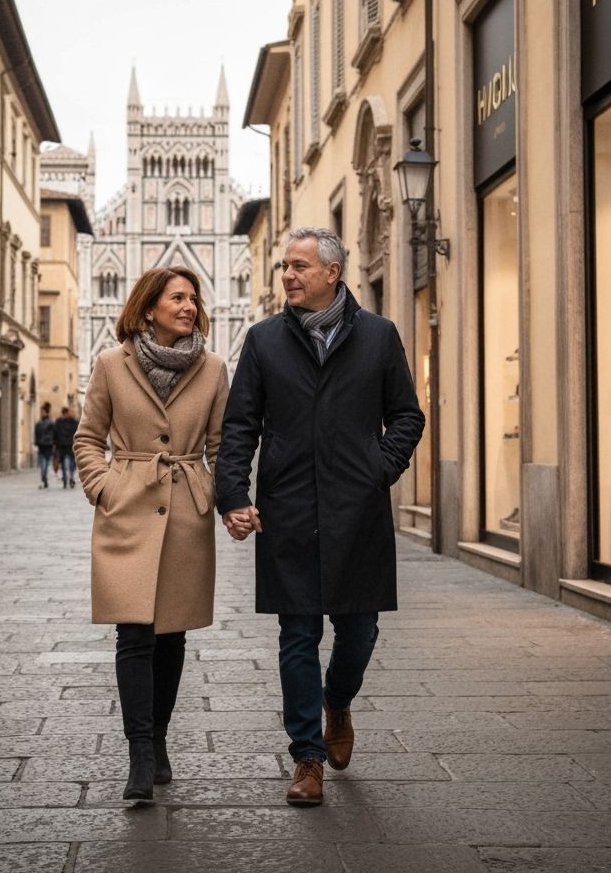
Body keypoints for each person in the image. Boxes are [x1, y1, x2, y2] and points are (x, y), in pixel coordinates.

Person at [215, 227, 424, 807]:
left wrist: (375, 469)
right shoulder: (263, 341)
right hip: (288, 508)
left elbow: (407, 416)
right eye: (285, 266)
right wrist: (233, 494)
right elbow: (240, 426)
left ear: (333, 272)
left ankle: (338, 699)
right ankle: (307, 757)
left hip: (358, 511)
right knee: (297, 634)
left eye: (299, 266)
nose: (287, 275)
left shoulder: (380, 337)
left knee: (361, 630)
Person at [74, 266, 229, 803]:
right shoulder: (110, 365)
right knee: (133, 635)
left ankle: (159, 737)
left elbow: (222, 445)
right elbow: (88, 438)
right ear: (148, 308)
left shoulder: (212, 369)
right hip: (128, 509)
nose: (189, 306)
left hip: (186, 511)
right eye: (177, 298)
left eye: (193, 298)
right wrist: (104, 487)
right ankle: (140, 751)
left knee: (172, 637)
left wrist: (216, 496)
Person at [53, 406, 79, 488]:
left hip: (61, 445)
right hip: (71, 444)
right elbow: (77, 433)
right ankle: (71, 475)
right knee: (72, 461)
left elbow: (55, 433)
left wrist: (56, 444)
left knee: (63, 462)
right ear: (67, 413)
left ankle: (65, 478)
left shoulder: (58, 422)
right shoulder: (74, 422)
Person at [34, 401, 55, 488]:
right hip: (41, 446)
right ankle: (43, 479)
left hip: (48, 446)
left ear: (46, 411)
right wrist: (37, 442)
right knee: (43, 464)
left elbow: (52, 434)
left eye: (42, 411)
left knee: (46, 464)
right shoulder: (38, 423)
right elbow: (36, 433)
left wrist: (51, 442)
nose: (41, 413)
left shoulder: (50, 423)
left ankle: (44, 478)